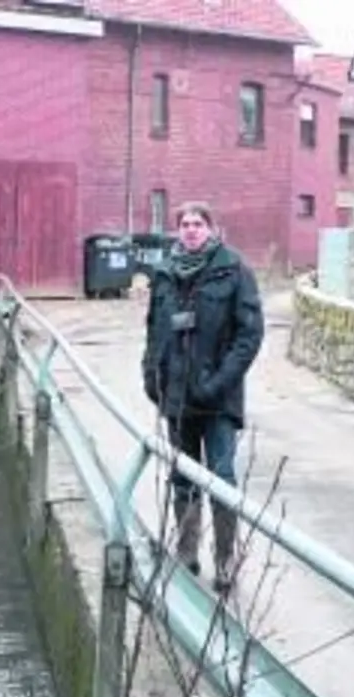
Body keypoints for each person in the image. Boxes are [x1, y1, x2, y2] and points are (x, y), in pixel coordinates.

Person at [138, 201, 264, 593]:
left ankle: (226, 561)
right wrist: (150, 376)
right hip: (175, 397)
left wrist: (218, 383)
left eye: (198, 223)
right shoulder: (164, 274)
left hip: (218, 401)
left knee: (222, 479)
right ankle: (187, 552)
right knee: (182, 477)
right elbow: (154, 330)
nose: (191, 230)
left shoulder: (234, 270)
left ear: (211, 228)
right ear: (178, 230)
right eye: (185, 224)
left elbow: (249, 336)